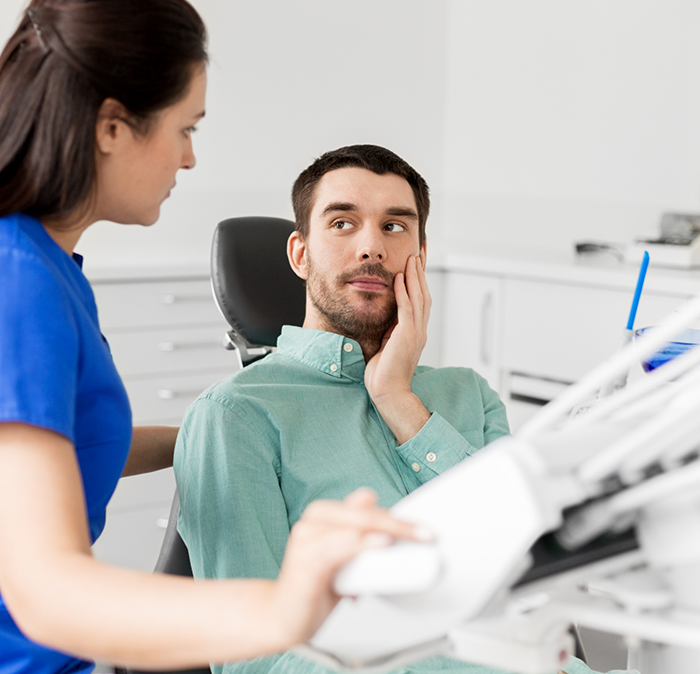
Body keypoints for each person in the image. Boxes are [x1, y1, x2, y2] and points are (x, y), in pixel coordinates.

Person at [0, 6, 426, 674]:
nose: (191, 158)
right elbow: (44, 594)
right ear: (113, 127)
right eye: (185, 129)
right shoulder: (19, 283)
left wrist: (219, 428)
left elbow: (55, 447)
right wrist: (284, 608)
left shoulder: (48, 269)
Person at [174, 145, 517, 674]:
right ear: (300, 253)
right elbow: (254, 659)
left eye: (395, 227)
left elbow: (524, 562)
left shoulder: (470, 395)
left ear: (420, 255)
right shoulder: (236, 416)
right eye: (342, 223)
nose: (371, 248)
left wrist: (399, 402)